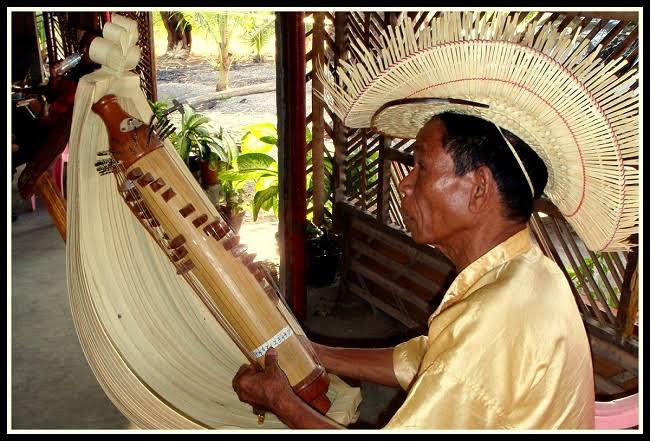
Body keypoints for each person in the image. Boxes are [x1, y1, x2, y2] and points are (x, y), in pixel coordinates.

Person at [232, 112, 595, 429]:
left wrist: (281, 402)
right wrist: (316, 353)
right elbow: (431, 358)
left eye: (421, 165)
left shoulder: (498, 314)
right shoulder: (527, 271)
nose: (405, 183)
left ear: (479, 188)